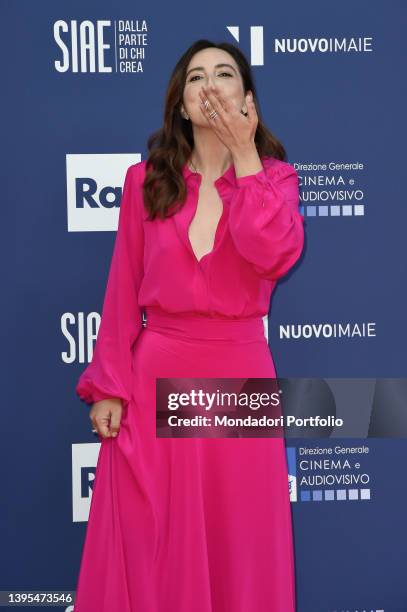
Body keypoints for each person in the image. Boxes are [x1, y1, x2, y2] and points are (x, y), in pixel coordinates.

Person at [74, 38, 305, 612]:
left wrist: (246, 159)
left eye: (224, 74)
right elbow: (123, 288)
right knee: (154, 537)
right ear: (180, 103)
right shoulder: (145, 181)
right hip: (158, 375)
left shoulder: (276, 182)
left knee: (240, 539)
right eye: (196, 76)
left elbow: (272, 253)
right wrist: (108, 385)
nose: (210, 86)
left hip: (240, 374)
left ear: (246, 98)